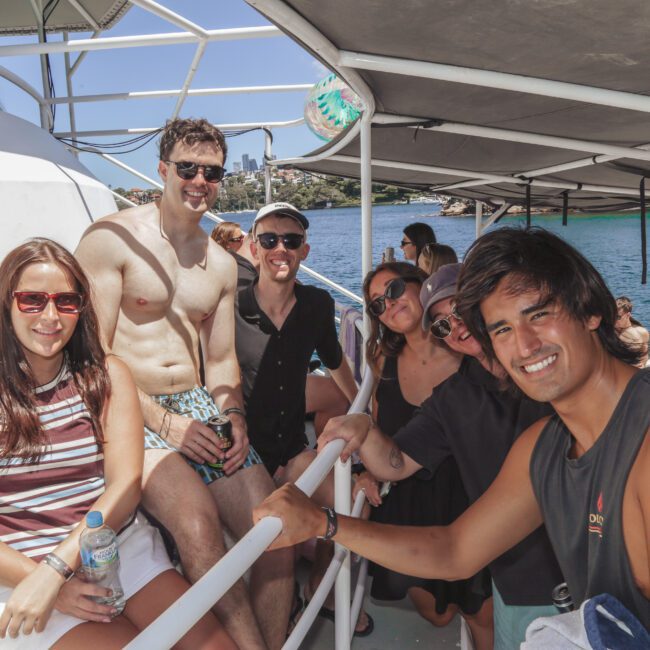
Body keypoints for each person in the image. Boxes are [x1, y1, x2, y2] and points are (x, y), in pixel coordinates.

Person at [254, 227, 650, 635]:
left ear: (589, 309)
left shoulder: (638, 435)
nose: (525, 345)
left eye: (539, 314)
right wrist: (323, 523)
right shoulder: (543, 446)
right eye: (502, 329)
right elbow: (456, 549)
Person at [75, 118, 293, 650]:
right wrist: (167, 423)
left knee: (279, 529)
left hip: (200, 407)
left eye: (212, 172)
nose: (200, 181)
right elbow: (94, 355)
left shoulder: (219, 262)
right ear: (162, 170)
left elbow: (220, 362)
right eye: (188, 168)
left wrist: (234, 415)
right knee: (197, 526)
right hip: (130, 406)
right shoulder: (111, 239)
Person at [0, 239, 234, 649]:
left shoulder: (106, 377)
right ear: (7, 303)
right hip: (21, 571)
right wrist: (46, 580)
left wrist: (58, 569)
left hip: (117, 547)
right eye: (32, 300)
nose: (51, 316)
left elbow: (125, 487)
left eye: (66, 301)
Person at [234, 201, 371, 634]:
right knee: (272, 542)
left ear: (304, 252)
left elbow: (336, 363)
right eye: (270, 240)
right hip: (242, 457)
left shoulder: (315, 304)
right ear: (254, 249)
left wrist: (363, 411)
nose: (281, 248)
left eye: (291, 241)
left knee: (349, 505)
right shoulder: (229, 308)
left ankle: (320, 586)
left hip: (292, 447)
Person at [358, 261, 493, 649]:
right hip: (411, 498)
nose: (389, 304)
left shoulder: (471, 350)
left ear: (423, 286)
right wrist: (367, 470)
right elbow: (381, 429)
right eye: (377, 305)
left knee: (478, 611)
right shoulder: (384, 360)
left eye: (396, 288)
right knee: (438, 615)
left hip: (470, 495)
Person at [615, 296, 649, 367]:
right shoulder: (609, 331)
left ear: (628, 315)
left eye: (618, 317)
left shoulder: (641, 332)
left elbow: (643, 359)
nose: (614, 320)